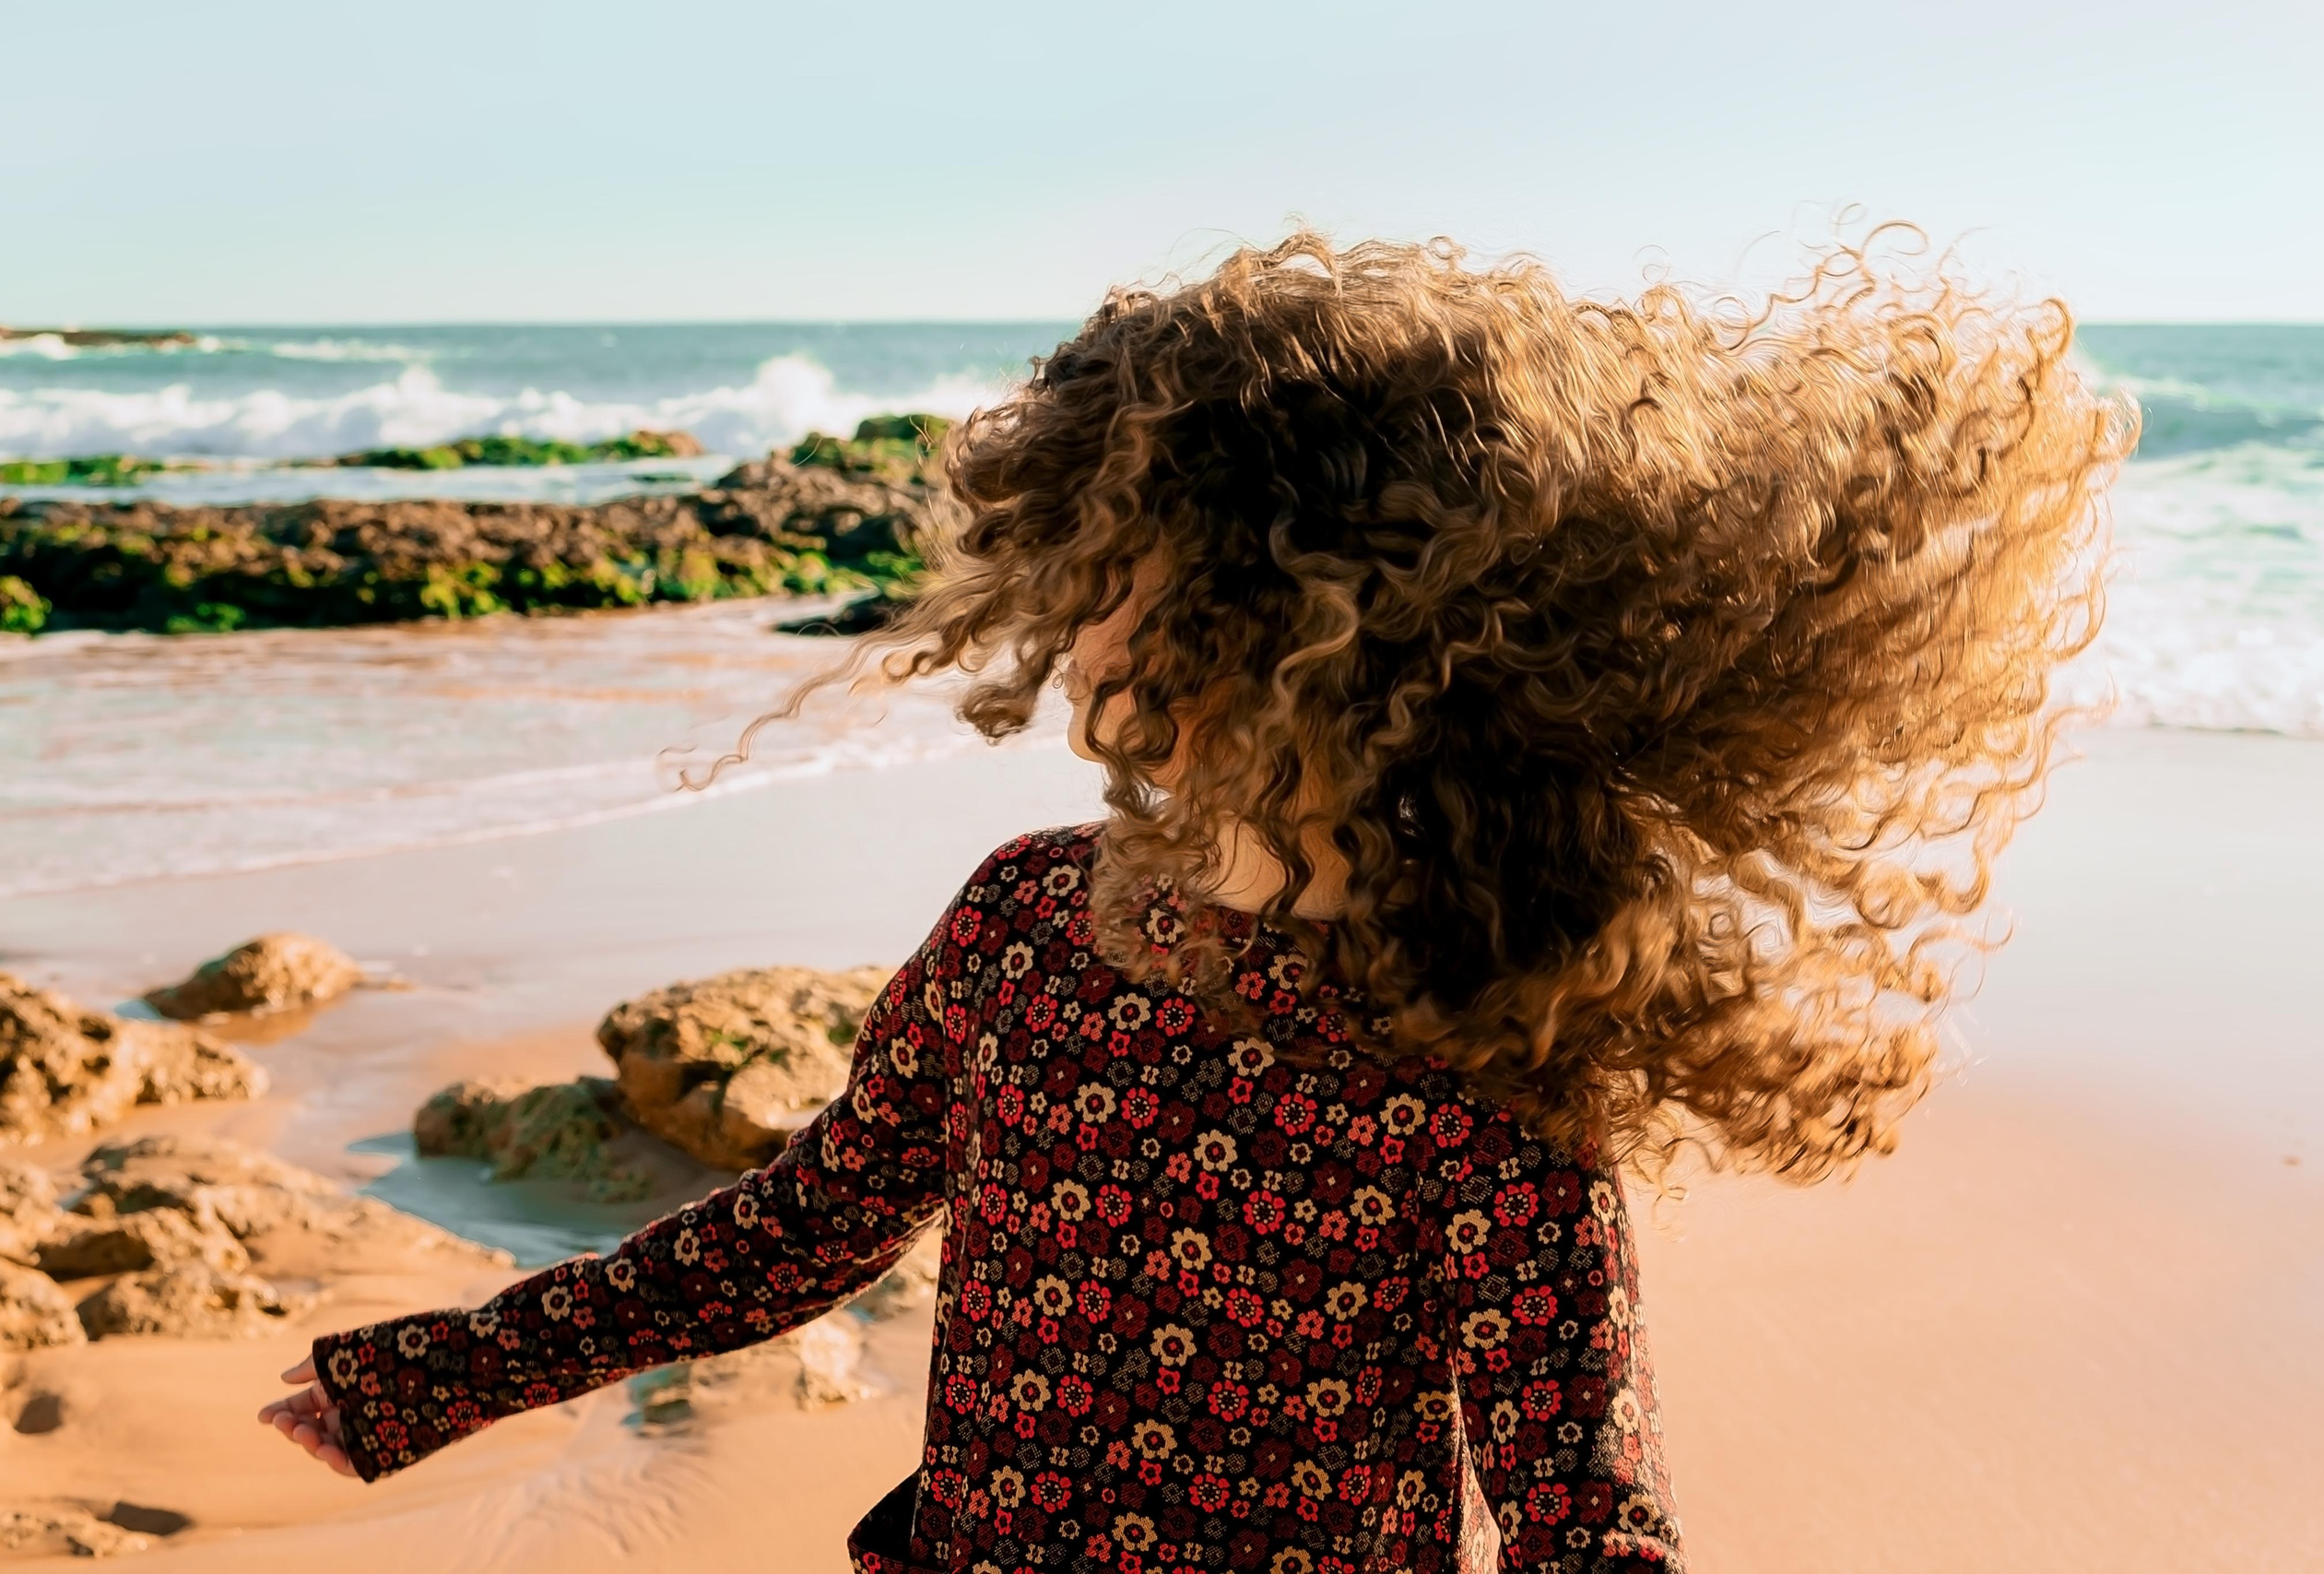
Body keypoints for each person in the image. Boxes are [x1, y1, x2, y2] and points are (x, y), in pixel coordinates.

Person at [259, 231, 2130, 1572]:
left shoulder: (1481, 1036)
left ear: (1296, 609)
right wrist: (429, 1377)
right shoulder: (1020, 925)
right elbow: (802, 1226)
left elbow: (1584, 1512)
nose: (1066, 611)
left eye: (1110, 559)